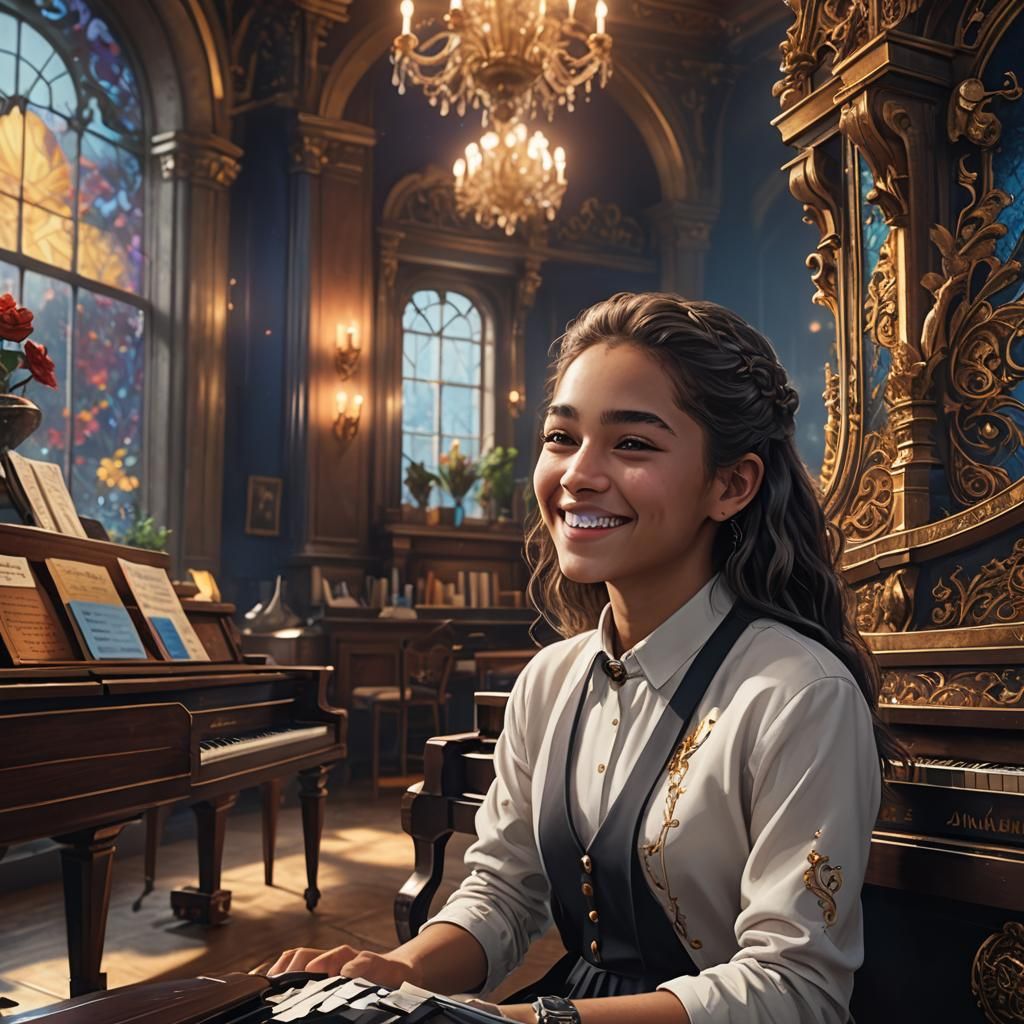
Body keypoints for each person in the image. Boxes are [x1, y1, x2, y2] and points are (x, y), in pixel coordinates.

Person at [268, 292, 895, 1024]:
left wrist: (524, 1021)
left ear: (731, 485)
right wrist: (397, 974)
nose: (577, 475)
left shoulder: (800, 694)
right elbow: (502, 892)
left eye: (632, 444)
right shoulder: (549, 680)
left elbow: (796, 990)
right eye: (561, 437)